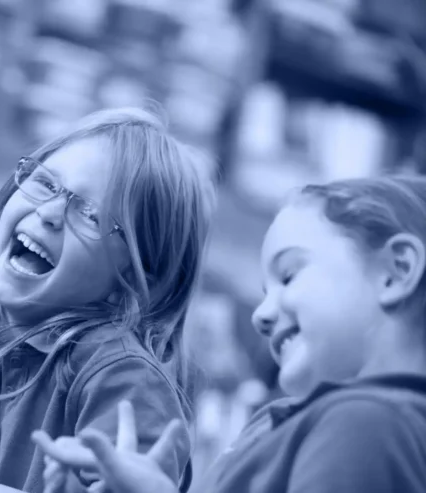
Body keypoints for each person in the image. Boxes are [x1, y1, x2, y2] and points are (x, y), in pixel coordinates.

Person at [0, 107, 217, 493]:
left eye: (90, 214)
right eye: (46, 183)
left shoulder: (124, 380)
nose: (50, 212)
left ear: (138, 282)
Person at [35, 175, 426, 493]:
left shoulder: (365, 423)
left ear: (395, 271)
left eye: (288, 275)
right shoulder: (313, 421)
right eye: (264, 292)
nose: (260, 316)